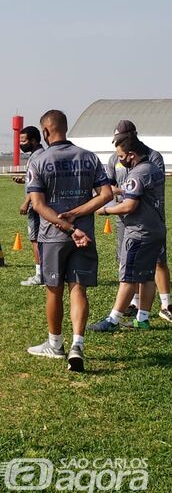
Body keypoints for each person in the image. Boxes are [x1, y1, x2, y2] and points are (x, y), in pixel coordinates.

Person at [25, 110, 112, 372]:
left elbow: (38, 205)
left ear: (45, 132)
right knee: (78, 289)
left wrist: (66, 224)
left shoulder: (39, 161)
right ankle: (78, 344)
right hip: (84, 235)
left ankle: (55, 344)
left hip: (54, 237)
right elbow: (106, 194)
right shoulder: (88, 157)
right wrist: (78, 215)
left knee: (54, 289)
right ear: (65, 128)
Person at [88, 132, 166, 331]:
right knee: (148, 275)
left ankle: (113, 320)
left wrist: (104, 210)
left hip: (138, 232)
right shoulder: (153, 169)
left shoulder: (138, 173)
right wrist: (122, 190)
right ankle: (142, 318)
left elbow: (129, 206)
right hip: (156, 229)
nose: (120, 161)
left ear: (132, 154)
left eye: (121, 157)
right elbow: (142, 192)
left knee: (128, 276)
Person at [12, 126, 45, 286]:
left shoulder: (36, 157)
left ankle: (40, 275)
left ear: (34, 140)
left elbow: (36, 185)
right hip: (42, 204)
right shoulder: (41, 155)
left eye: (24, 141)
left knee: (35, 239)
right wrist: (23, 179)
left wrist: (26, 202)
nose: (21, 144)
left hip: (35, 205)